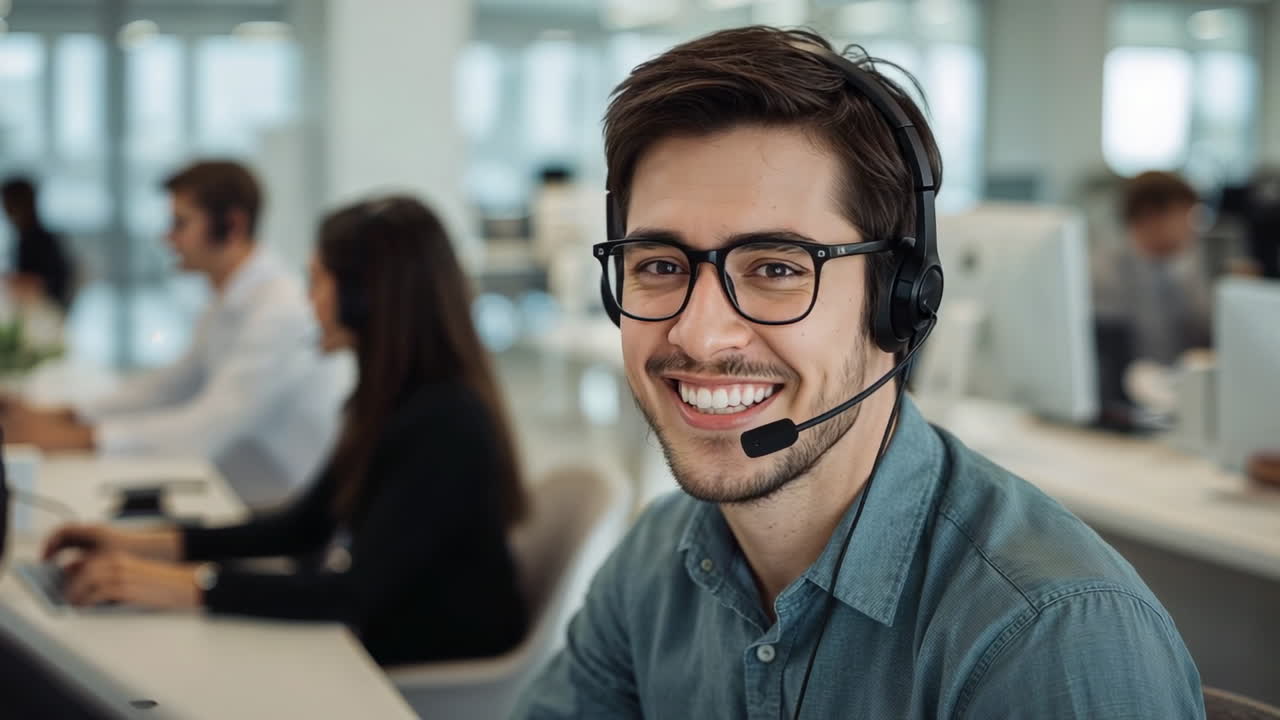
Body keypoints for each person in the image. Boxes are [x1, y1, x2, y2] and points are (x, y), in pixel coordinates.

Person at [514, 27, 1203, 718]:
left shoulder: (1049, 639)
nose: (698, 334)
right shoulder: (656, 560)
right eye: (661, 266)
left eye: (776, 268)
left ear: (899, 299)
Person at [40, 196, 530, 666]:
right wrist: (135, 545)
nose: (307, 301)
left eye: (316, 281)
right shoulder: (389, 401)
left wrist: (173, 584)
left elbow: (352, 593)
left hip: (423, 668)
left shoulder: (445, 421)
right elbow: (301, 529)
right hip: (377, 637)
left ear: (365, 298)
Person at [0, 161, 347, 507]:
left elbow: (207, 429)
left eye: (180, 223)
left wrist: (71, 437)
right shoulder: (229, 298)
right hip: (235, 492)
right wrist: (63, 414)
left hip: (277, 510)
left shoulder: (278, 310)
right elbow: (170, 386)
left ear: (233, 225)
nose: (167, 238)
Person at [1094, 171, 1213, 367]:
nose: (1192, 227)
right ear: (1150, 215)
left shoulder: (1188, 262)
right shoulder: (1106, 273)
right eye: (1186, 215)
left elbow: (1207, 332)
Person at [1, 176, 74, 311]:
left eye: (7, 203)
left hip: (46, 310)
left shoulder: (38, 240)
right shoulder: (28, 237)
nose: (5, 209)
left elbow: (39, 284)